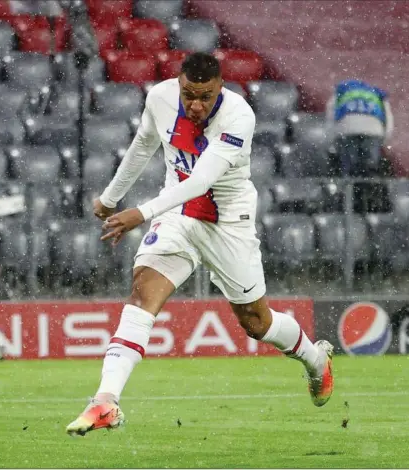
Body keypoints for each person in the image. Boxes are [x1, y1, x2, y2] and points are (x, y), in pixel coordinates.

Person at [65, 52, 334, 437]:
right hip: (177, 213)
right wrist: (110, 197)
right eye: (189, 94)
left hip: (227, 222)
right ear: (178, 83)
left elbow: (201, 181)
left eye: (205, 96)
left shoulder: (239, 116)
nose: (195, 104)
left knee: (257, 323)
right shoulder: (159, 98)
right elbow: (143, 145)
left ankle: (315, 360)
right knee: (142, 295)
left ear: (219, 87)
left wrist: (138, 212)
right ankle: (106, 400)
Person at [325, 79, 393, 177]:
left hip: (347, 129)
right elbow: (388, 118)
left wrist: (332, 138)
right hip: (373, 130)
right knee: (371, 165)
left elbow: (330, 114)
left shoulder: (341, 91)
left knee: (349, 165)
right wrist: (384, 139)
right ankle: (370, 184)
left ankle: (348, 183)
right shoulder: (377, 94)